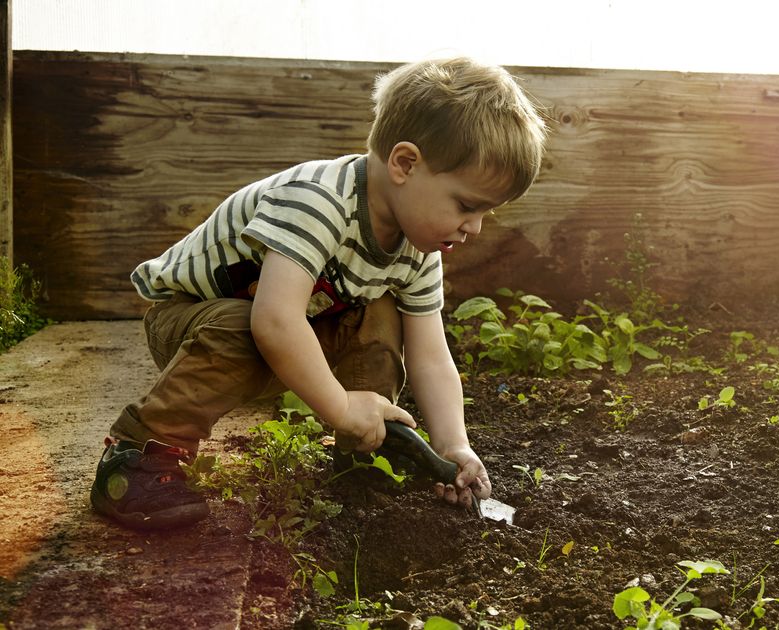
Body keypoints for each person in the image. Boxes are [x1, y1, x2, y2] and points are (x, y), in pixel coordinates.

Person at [89, 57, 548, 530]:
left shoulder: (418, 248)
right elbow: (275, 321)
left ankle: (365, 451)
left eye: (485, 213)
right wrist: (342, 406)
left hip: (286, 332)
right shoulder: (318, 201)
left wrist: (454, 445)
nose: (473, 227)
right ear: (405, 163)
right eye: (467, 205)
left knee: (382, 313)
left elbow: (430, 355)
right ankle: (138, 454)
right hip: (189, 326)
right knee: (246, 324)